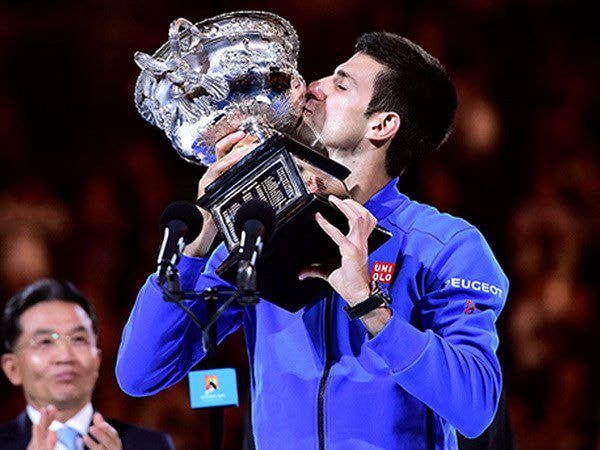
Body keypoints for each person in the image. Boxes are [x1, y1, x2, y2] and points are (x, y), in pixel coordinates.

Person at [116, 32, 509, 449]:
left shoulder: (444, 246)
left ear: (382, 124)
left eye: (340, 84)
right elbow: (141, 373)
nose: (313, 87)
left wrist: (370, 307)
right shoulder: (258, 230)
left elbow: (476, 408)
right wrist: (201, 238)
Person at [0, 278, 175, 450]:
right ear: (12, 369)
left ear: (97, 359)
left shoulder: (152, 444)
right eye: (45, 342)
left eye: (78, 339)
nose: (65, 356)